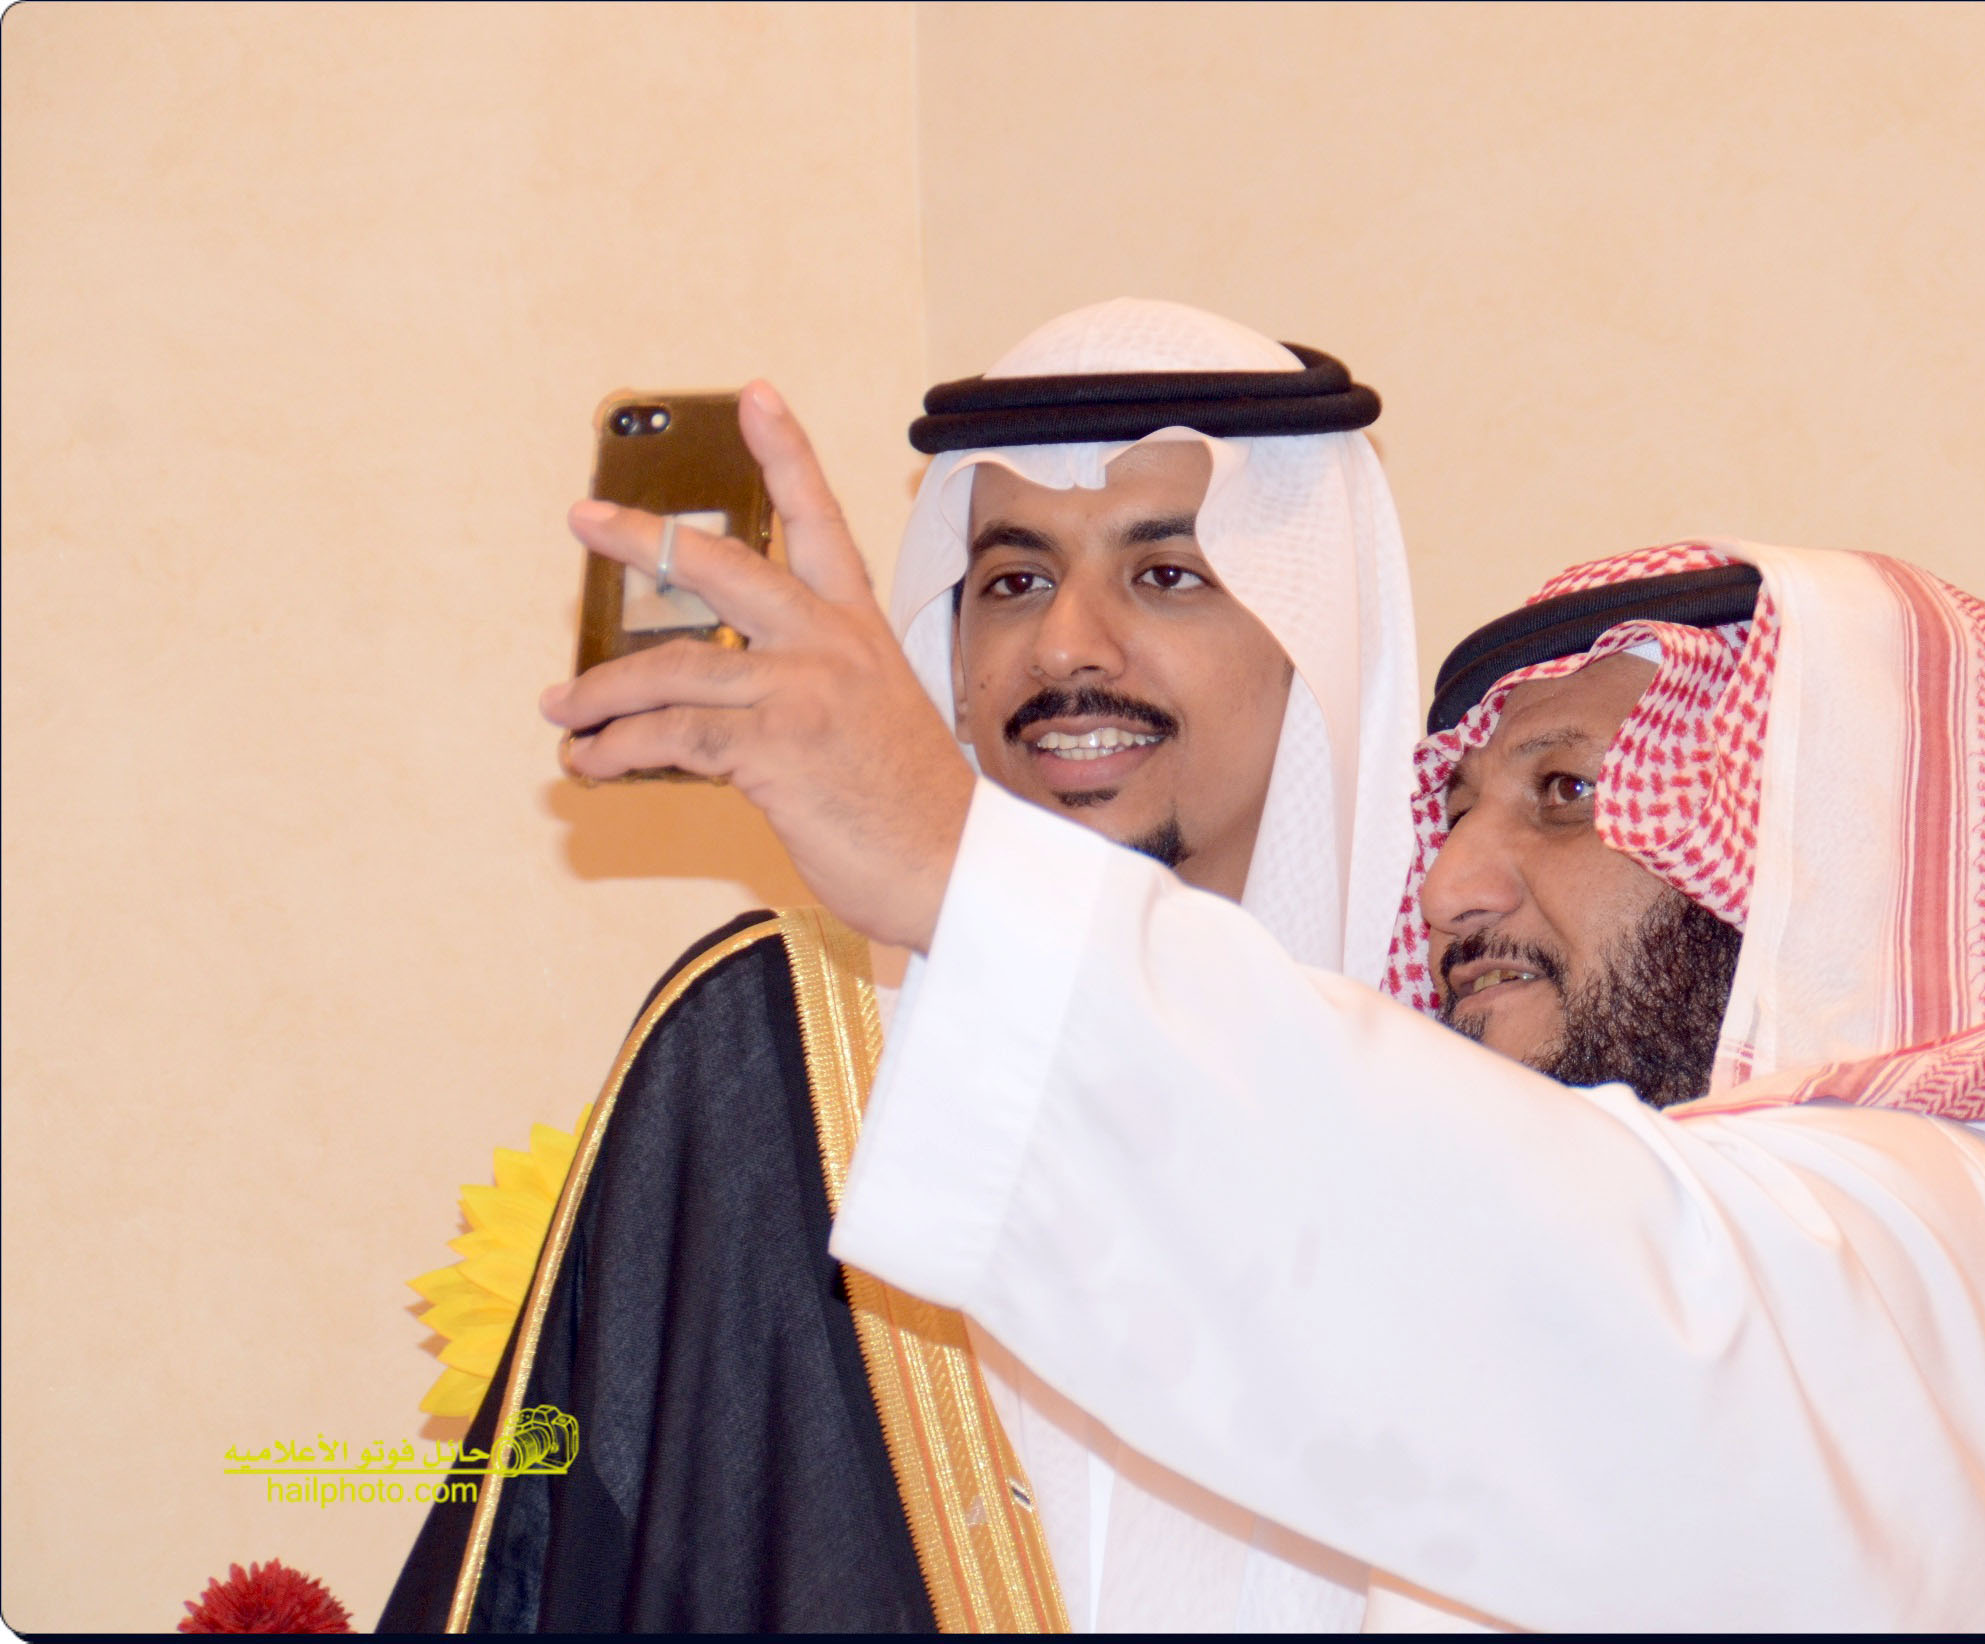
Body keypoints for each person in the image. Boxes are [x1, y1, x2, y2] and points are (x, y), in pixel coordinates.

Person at [544, 468, 1985, 1625]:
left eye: (1566, 796)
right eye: (1459, 808)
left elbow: (1536, 1272)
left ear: (1832, 859)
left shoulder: (1939, 1251)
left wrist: (955, 858)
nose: (1456, 881)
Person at [381, 300, 1420, 1631]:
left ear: (1316, 639)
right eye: (1013, 582)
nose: (1066, 646)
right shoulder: (772, 1060)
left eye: (1167, 576)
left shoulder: (1463, 1107)